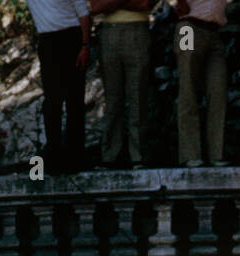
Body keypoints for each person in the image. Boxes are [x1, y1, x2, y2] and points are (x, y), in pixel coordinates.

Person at [27, 0, 92, 174]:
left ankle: (75, 156)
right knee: (52, 101)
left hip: (71, 37)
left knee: (75, 100)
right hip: (48, 41)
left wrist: (85, 45)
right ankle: (53, 156)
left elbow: (84, 14)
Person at [91, 0, 152, 169]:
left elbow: (144, 4)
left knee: (138, 95)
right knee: (112, 98)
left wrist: (113, 2)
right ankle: (110, 155)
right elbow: (95, 7)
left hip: (137, 28)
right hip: (109, 31)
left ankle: (138, 156)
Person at [171, 0, 231, 168]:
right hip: (187, 28)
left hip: (214, 31)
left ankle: (216, 154)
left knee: (218, 91)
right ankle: (190, 154)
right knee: (188, 88)